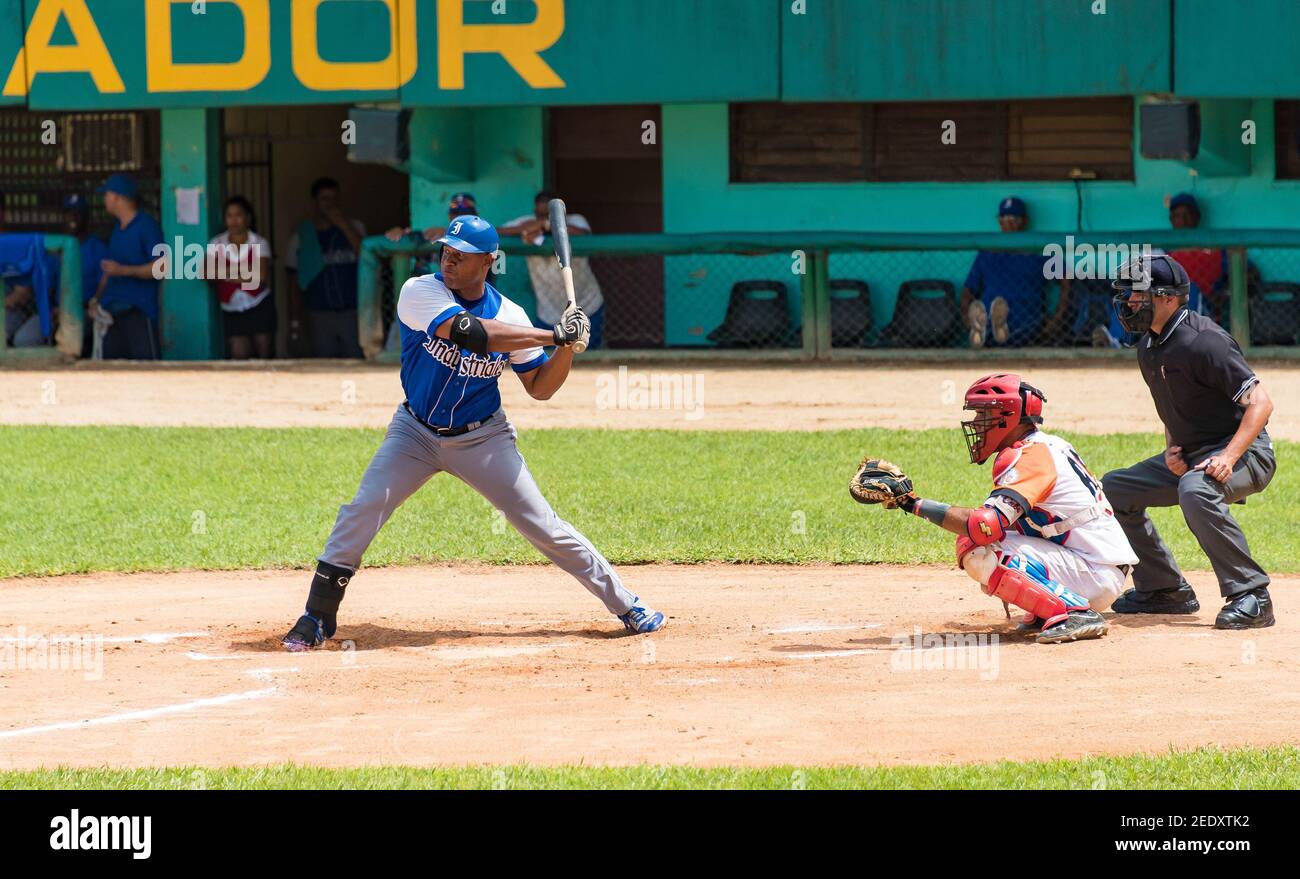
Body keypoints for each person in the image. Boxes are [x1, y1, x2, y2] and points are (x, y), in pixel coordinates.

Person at [281, 215, 665, 651]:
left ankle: (627, 604)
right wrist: (551, 332)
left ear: (488, 261)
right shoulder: (420, 291)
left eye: (461, 256)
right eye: (446, 251)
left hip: (483, 439)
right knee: (364, 507)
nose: (448, 259)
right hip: (415, 433)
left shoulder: (511, 315)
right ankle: (316, 616)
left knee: (541, 524)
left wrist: (566, 349)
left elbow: (540, 388)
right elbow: (470, 333)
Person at [851, 373, 1137, 644]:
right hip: (1092, 564)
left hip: (1094, 572)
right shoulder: (1045, 445)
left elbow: (984, 526)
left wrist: (912, 503)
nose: (977, 423)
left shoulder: (1030, 456)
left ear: (1008, 417)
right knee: (985, 538)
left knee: (977, 545)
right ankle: (1053, 606)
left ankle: (1075, 612)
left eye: (983, 414)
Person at [1102, 254, 1277, 629]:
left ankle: (1252, 595)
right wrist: (1171, 449)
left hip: (1248, 452)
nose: (1129, 302)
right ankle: (1164, 588)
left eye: (1138, 295)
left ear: (1167, 298)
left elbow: (1261, 403)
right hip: (1194, 454)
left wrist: (1229, 457)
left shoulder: (1205, 342)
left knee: (1197, 490)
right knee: (1113, 489)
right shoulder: (1148, 345)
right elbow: (1173, 404)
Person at [500, 191, 606, 350]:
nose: (542, 217)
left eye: (548, 214)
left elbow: (583, 233)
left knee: (588, 355)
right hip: (548, 313)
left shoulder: (576, 220)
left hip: (586, 305)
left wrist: (547, 224)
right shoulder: (527, 223)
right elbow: (498, 231)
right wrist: (526, 229)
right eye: (539, 214)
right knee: (548, 360)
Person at [961, 197, 1070, 348]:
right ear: (999, 221)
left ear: (1024, 221)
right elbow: (968, 290)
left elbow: (1067, 282)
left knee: (1018, 327)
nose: (1010, 223)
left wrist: (1055, 321)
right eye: (1005, 218)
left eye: (1015, 218)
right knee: (989, 315)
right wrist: (967, 321)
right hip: (990, 323)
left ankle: (990, 332)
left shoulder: (1038, 251)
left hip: (1028, 325)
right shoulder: (987, 252)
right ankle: (981, 331)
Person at [285, 177, 366, 358]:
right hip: (318, 313)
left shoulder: (355, 227)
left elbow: (366, 256)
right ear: (315, 203)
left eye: (334, 199)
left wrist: (343, 225)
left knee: (356, 362)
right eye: (325, 199)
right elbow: (293, 281)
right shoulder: (301, 236)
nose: (331, 204)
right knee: (324, 364)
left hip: (352, 311)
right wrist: (294, 321)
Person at [87, 174, 163, 360]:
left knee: (146, 371)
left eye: (106, 194)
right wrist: (96, 299)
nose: (104, 199)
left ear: (117, 197)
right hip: (112, 312)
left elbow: (161, 267)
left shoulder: (146, 226)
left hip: (138, 311)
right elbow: (110, 270)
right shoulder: (117, 229)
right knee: (113, 372)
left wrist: (125, 270)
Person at [207, 196, 274, 359]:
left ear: (248, 218)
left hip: (259, 303)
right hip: (231, 308)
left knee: (264, 351)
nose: (234, 220)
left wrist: (223, 272)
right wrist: (245, 271)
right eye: (229, 216)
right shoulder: (216, 243)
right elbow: (206, 273)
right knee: (239, 355)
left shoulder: (259, 242)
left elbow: (260, 276)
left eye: (238, 215)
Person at [58, 194, 108, 357]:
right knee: (26, 338)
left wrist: (92, 306)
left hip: (87, 310)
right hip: (55, 310)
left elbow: (105, 282)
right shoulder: (55, 247)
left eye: (78, 213)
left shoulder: (97, 248)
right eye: (69, 213)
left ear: (86, 218)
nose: (73, 217)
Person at [1166, 193, 1228, 323]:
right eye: (1177, 216)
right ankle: (1117, 340)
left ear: (1197, 217)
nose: (1182, 220)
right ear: (1171, 219)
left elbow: (1248, 272)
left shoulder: (1214, 249)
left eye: (1187, 215)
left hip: (1205, 307)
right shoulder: (1163, 250)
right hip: (1167, 306)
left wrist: (1226, 292)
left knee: (1190, 290)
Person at [384, 191, 478, 245]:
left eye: (466, 214)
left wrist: (447, 233)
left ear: (476, 216)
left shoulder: (484, 235)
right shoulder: (436, 235)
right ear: (450, 216)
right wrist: (401, 233)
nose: (460, 218)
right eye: (456, 213)